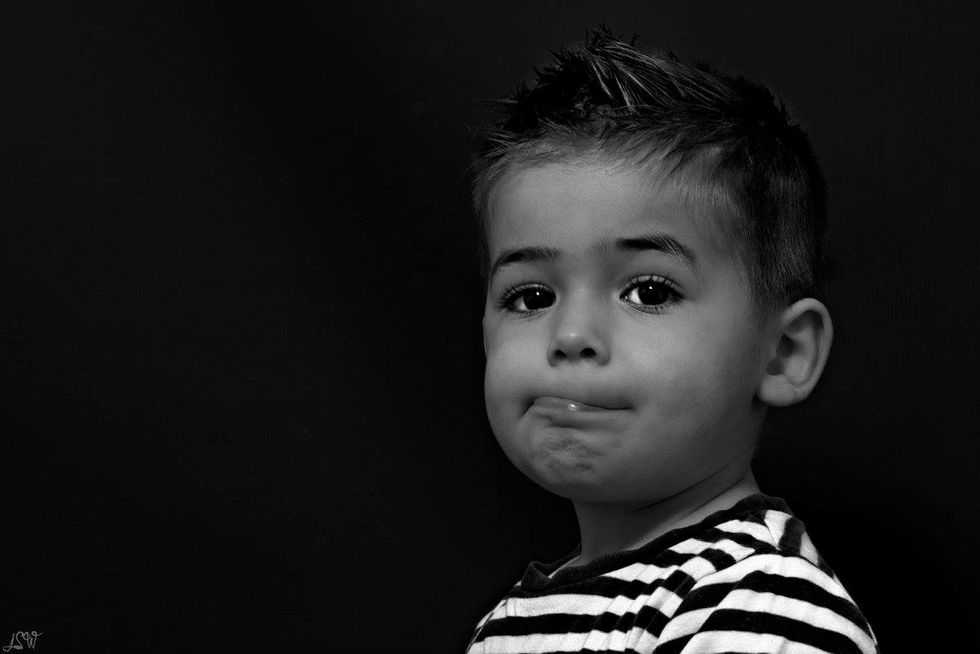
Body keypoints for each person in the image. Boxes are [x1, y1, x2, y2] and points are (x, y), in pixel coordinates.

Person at [465, 28, 878, 653]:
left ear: (784, 353)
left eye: (649, 292)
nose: (570, 336)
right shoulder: (512, 622)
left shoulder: (760, 606)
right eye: (532, 297)